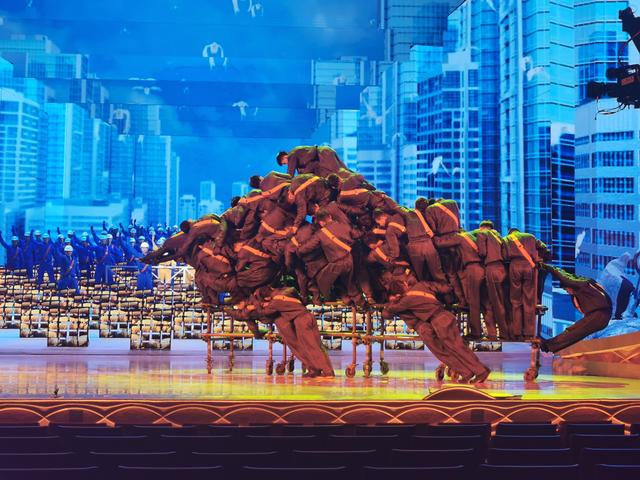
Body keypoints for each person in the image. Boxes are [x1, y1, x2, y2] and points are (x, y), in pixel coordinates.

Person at [382, 280, 490, 383]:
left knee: (455, 348)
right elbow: (444, 288)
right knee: (458, 347)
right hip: (445, 315)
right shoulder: (421, 285)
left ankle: (480, 371)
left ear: (397, 294)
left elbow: (388, 311)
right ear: (404, 285)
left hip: (438, 321)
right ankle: (470, 372)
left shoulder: (405, 300)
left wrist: (392, 301)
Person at [540, 264, 612, 353]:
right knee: (575, 333)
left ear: (570, 286)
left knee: (573, 332)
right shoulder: (584, 288)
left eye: (566, 289)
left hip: (599, 315)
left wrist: (549, 268)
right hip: (601, 316)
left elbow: (565, 277)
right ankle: (550, 347)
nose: (567, 292)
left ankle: (547, 346)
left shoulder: (582, 285)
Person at [502, 228, 546, 339]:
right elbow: (543, 247)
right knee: (529, 300)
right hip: (529, 266)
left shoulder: (507, 239)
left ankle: (517, 332)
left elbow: (505, 256)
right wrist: (538, 257)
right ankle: (529, 332)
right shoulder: (530, 236)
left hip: (515, 266)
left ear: (510, 233)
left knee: (515, 300)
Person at [475, 220, 511, 340]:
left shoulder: (482, 234)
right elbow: (506, 255)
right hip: (502, 269)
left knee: (495, 303)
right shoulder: (499, 237)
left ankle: (502, 334)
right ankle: (501, 332)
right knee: (500, 301)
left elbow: (482, 252)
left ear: (482, 227)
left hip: (492, 268)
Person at [277, 145, 347, 178]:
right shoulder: (298, 160)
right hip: (322, 156)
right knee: (341, 171)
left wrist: (280, 179)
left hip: (323, 154)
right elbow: (302, 174)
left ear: (284, 157)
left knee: (339, 173)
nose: (287, 164)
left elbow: (290, 174)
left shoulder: (291, 156)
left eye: (284, 163)